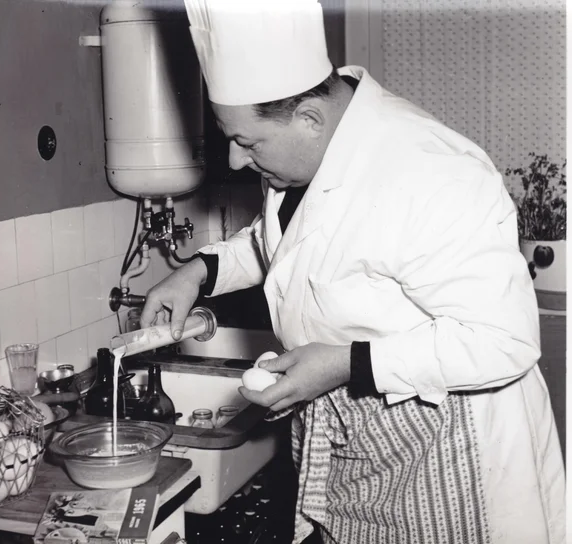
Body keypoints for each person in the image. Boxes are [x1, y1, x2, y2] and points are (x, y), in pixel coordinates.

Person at [139, 1, 565, 542]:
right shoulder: (304, 158)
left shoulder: (433, 173)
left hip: (450, 455)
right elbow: (286, 244)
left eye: (247, 142)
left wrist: (346, 364)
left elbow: (505, 341)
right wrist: (199, 270)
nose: (237, 159)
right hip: (362, 452)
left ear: (310, 120)